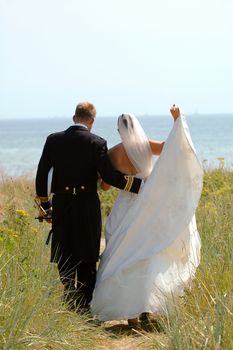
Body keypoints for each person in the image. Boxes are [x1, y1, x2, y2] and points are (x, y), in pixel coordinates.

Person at [91, 105, 203, 326]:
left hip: (126, 205)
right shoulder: (146, 145)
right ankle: (147, 306)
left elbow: (105, 186)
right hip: (149, 204)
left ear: (119, 130)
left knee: (123, 253)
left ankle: (130, 314)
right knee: (147, 253)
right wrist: (177, 122)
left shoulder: (113, 153)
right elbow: (173, 149)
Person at [35, 101, 142, 313]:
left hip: (63, 203)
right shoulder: (97, 142)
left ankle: (69, 297)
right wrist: (142, 186)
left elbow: (41, 174)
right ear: (91, 121)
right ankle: (84, 307)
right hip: (87, 204)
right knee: (87, 254)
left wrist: (45, 207)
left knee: (65, 251)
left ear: (74, 118)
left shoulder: (53, 140)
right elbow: (110, 177)